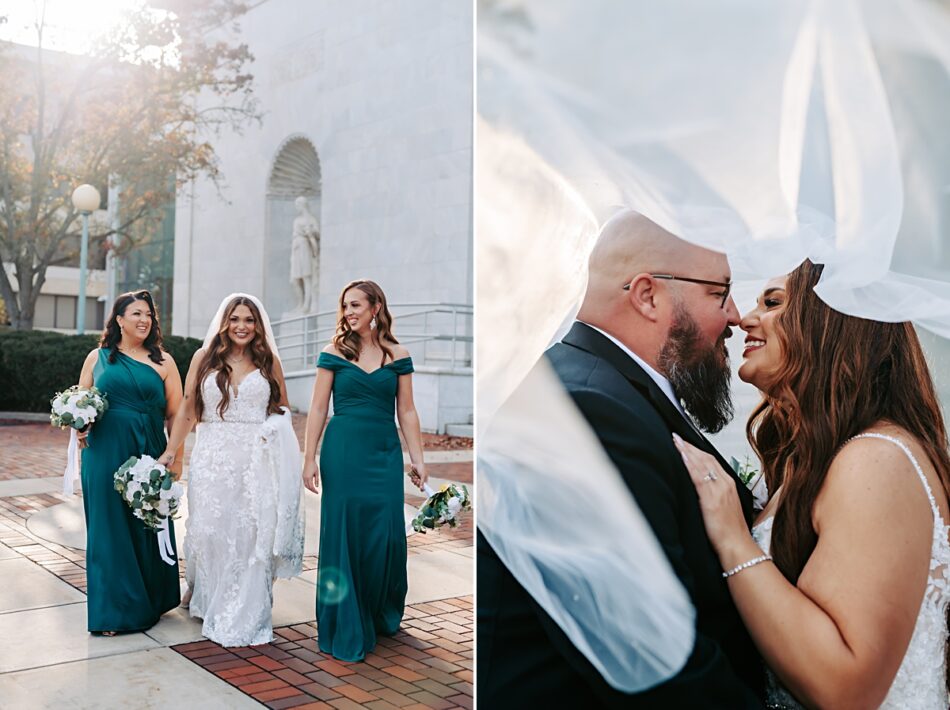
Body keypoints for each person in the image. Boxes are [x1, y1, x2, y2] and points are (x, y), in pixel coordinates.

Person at [477, 209, 766, 707]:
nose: (736, 315)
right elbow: (655, 662)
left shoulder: (611, 390)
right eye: (719, 292)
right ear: (648, 295)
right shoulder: (590, 410)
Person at [678, 261, 950, 708]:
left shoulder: (876, 461)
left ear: (833, 323)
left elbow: (847, 689)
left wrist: (731, 539)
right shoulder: (815, 461)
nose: (746, 318)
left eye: (773, 302)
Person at [158, 293, 304, 647]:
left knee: (251, 533)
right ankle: (209, 595)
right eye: (235, 319)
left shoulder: (267, 361)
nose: (242, 326)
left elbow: (282, 410)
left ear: (258, 326)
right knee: (212, 530)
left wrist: (274, 435)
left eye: (249, 320)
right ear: (224, 322)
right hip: (214, 457)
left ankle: (247, 608)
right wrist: (170, 450)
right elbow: (190, 409)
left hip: (256, 460)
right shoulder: (204, 358)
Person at [301, 279, 427, 662]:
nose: (349, 312)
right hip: (343, 452)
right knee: (346, 530)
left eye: (356, 305)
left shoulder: (397, 354)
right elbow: (319, 408)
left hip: (383, 453)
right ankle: (346, 617)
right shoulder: (334, 352)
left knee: (384, 534)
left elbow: (406, 410)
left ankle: (375, 609)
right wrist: (309, 457)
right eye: (345, 306)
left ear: (376, 307)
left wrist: (417, 458)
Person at [77, 290, 183, 635]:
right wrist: (79, 424)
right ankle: (114, 612)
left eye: (149, 314)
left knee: (145, 526)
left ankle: (151, 599)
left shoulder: (164, 362)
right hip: (104, 452)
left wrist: (176, 459)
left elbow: (177, 415)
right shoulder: (97, 357)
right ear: (119, 320)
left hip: (149, 450)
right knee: (108, 531)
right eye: (136, 313)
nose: (144, 320)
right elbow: (82, 401)